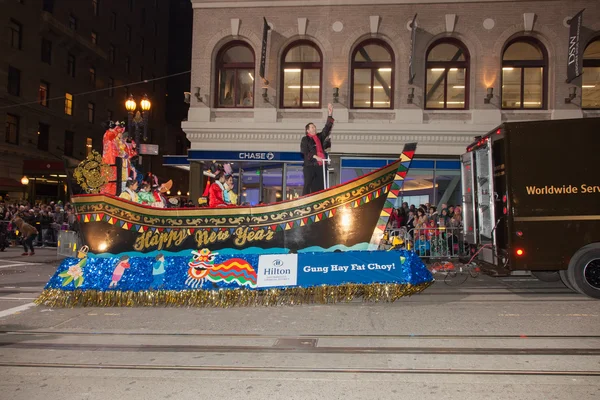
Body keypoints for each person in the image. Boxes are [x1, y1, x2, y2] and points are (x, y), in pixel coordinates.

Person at [301, 103, 334, 195]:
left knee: (320, 186)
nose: (314, 128)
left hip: (320, 165)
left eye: (314, 126)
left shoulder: (319, 137)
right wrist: (315, 157)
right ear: (308, 130)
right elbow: (304, 151)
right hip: (310, 165)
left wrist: (330, 114)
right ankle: (304, 202)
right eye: (312, 127)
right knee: (308, 184)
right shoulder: (305, 139)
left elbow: (326, 129)